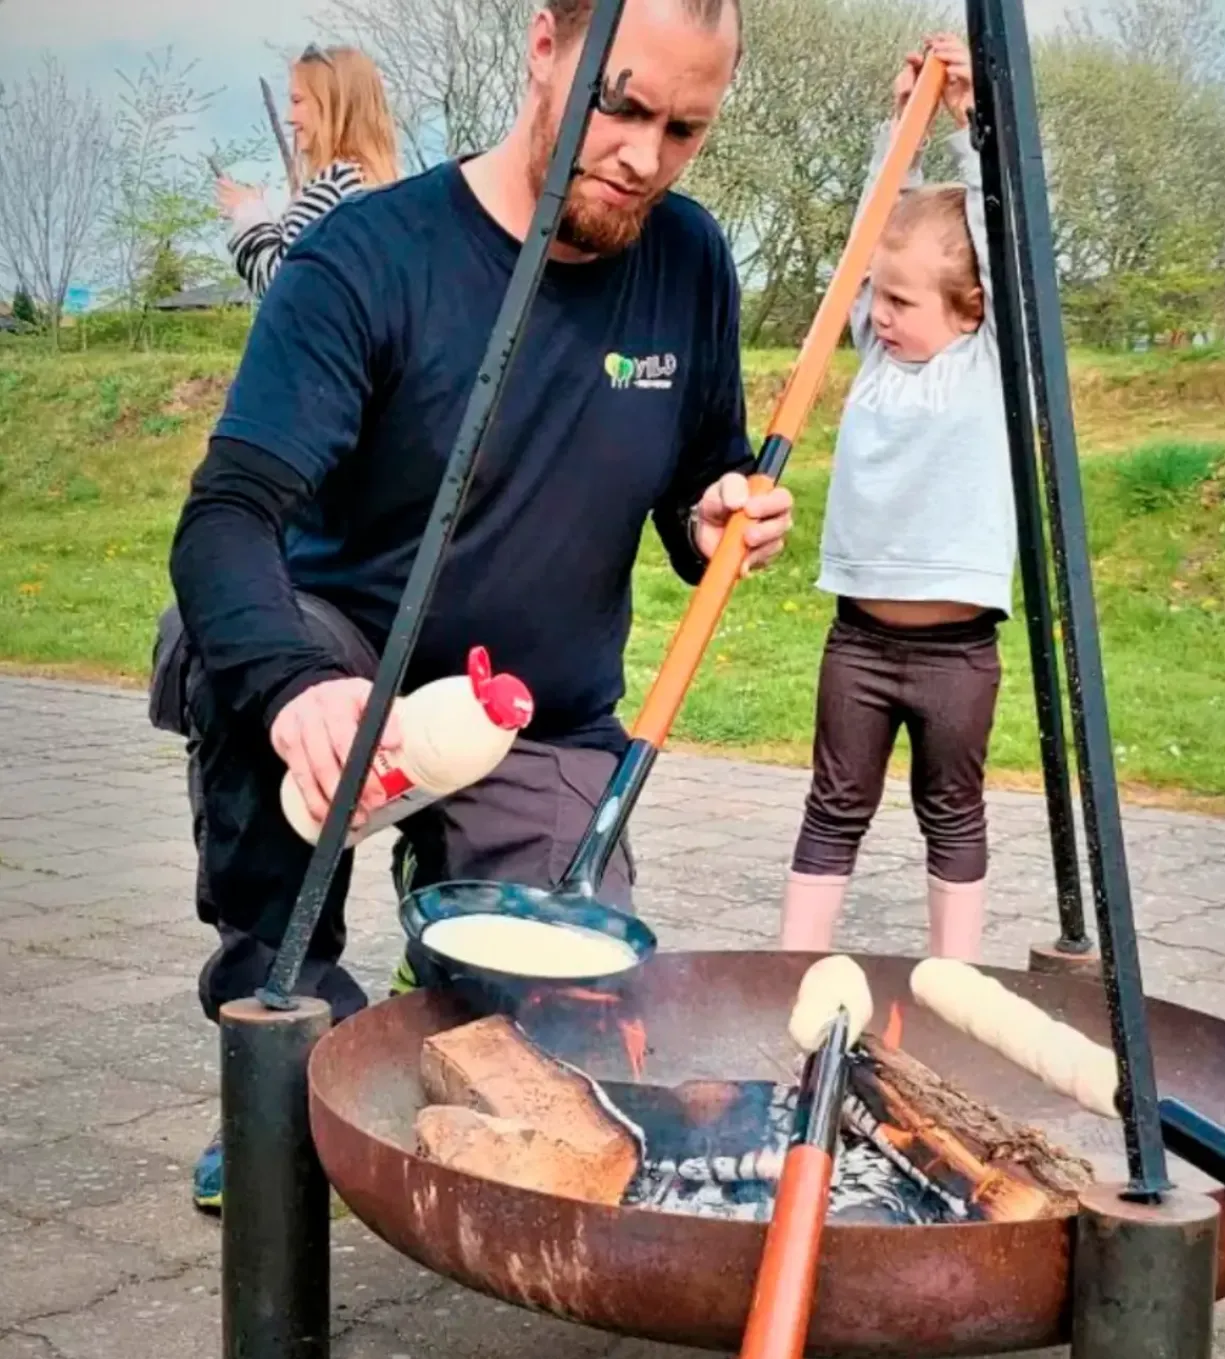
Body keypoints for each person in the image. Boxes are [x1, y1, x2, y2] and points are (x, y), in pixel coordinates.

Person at [152, 0, 791, 1213]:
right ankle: (281, 1055)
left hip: (542, 713)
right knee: (226, 650)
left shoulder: (691, 260)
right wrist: (295, 688)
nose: (645, 157)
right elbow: (227, 514)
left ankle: (442, 977)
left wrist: (713, 517)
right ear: (545, 48)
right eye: (623, 104)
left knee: (565, 1021)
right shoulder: (368, 257)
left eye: (685, 129)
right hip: (354, 675)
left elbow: (697, 473)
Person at [777, 33, 1016, 964]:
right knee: (833, 805)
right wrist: (900, 128)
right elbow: (858, 253)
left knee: (951, 808)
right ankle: (789, 967)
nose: (881, 316)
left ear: (969, 308)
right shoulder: (874, 349)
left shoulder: (989, 361)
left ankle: (954, 977)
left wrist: (968, 126)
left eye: (904, 303)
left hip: (959, 653)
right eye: (879, 297)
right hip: (860, 640)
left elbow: (1004, 251)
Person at [215, 45, 401, 297]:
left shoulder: (334, 186)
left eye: (297, 101)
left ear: (335, 104)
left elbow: (281, 284)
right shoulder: (382, 191)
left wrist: (248, 216)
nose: (289, 118)